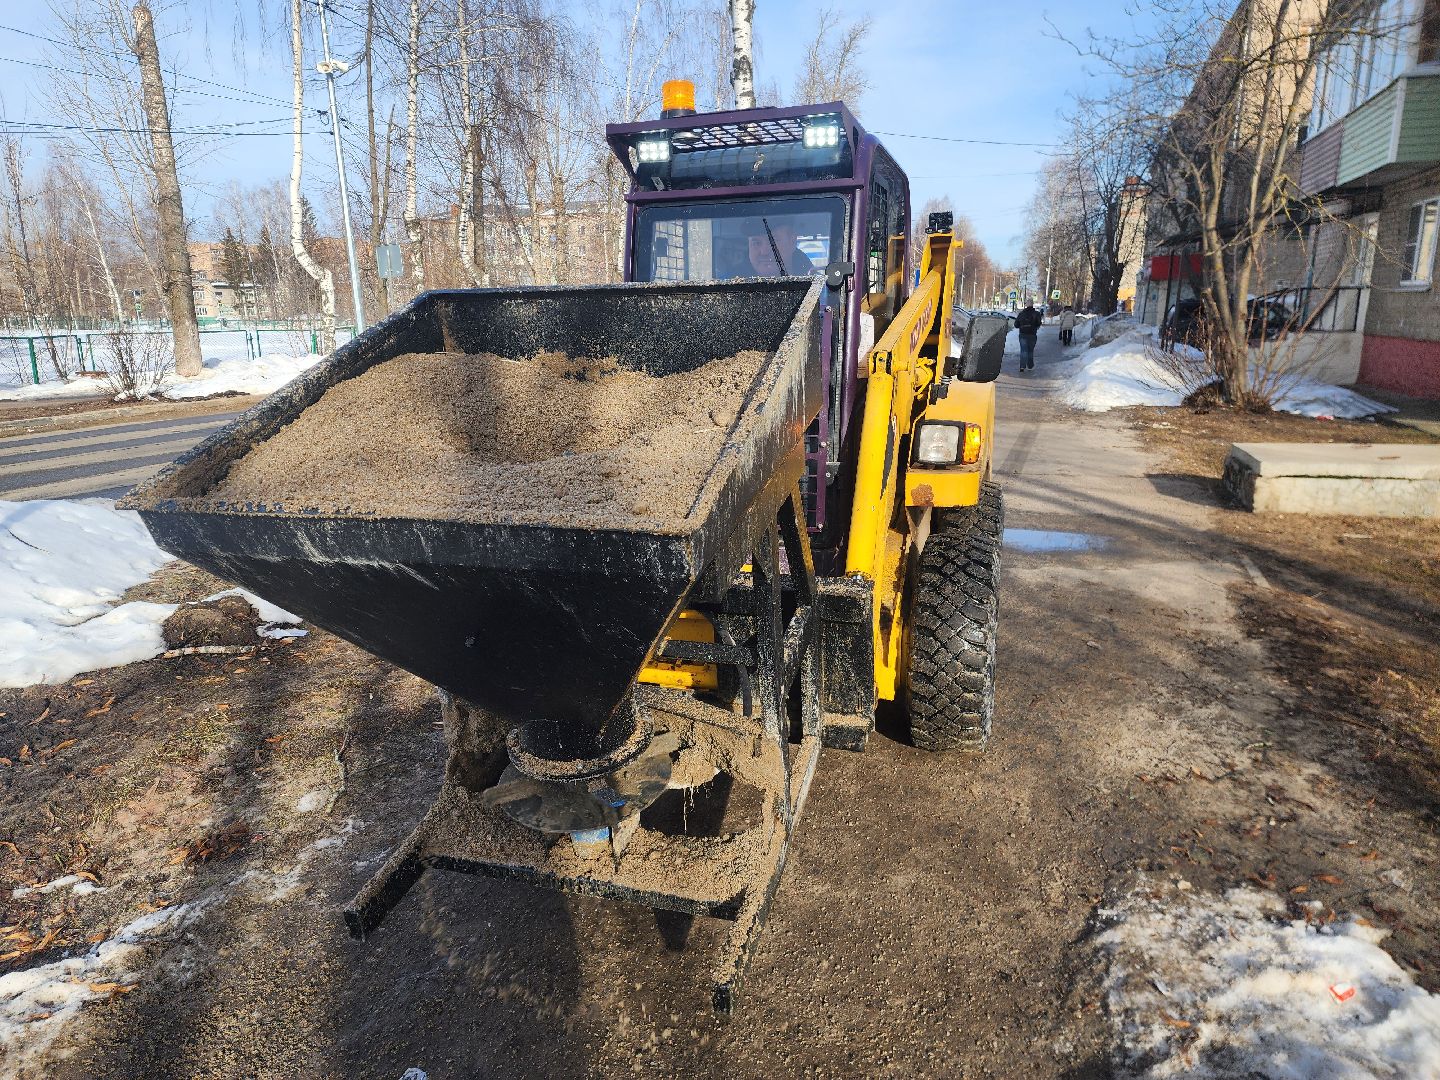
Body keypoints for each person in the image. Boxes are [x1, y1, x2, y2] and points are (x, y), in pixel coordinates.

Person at [745, 218, 815, 276]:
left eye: (773, 241)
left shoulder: (821, 288)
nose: (764, 252)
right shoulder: (734, 288)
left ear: (792, 241)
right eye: (756, 243)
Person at [1014, 302, 1042, 371]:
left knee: (1023, 350)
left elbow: (1016, 325)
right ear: (1032, 305)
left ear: (1026, 305)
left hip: (1023, 334)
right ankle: (1030, 366)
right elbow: (1038, 323)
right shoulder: (1036, 313)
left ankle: (1022, 366)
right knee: (1030, 351)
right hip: (1032, 334)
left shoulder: (1021, 314)